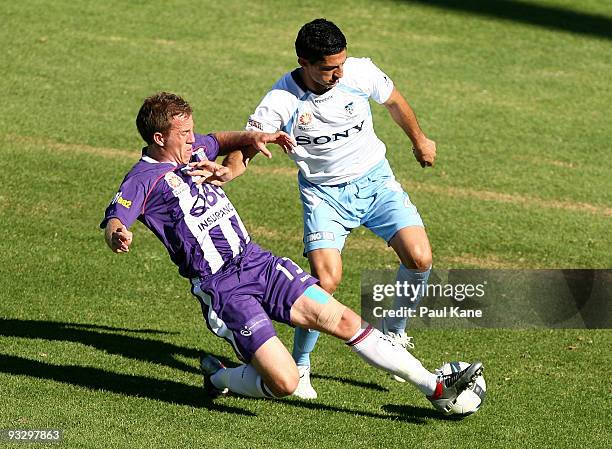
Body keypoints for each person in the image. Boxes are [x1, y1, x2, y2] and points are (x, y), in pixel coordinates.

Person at [101, 92, 481, 413]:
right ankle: (218, 376)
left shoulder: (195, 147)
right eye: (183, 134)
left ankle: (436, 389)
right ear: (158, 137)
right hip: (223, 288)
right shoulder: (142, 179)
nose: (191, 139)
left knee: (346, 321)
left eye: (190, 131)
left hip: (257, 262)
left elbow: (221, 138)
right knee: (285, 382)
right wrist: (119, 234)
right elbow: (117, 216)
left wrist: (258, 136)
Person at [243, 19, 437, 398]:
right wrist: (226, 169)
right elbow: (248, 146)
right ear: (304, 62)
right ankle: (300, 365)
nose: (337, 73)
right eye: (328, 68)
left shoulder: (358, 73)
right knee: (326, 281)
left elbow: (394, 101)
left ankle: (394, 334)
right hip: (324, 196)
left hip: (375, 182)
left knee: (419, 258)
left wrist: (420, 140)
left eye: (341, 64)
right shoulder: (281, 100)